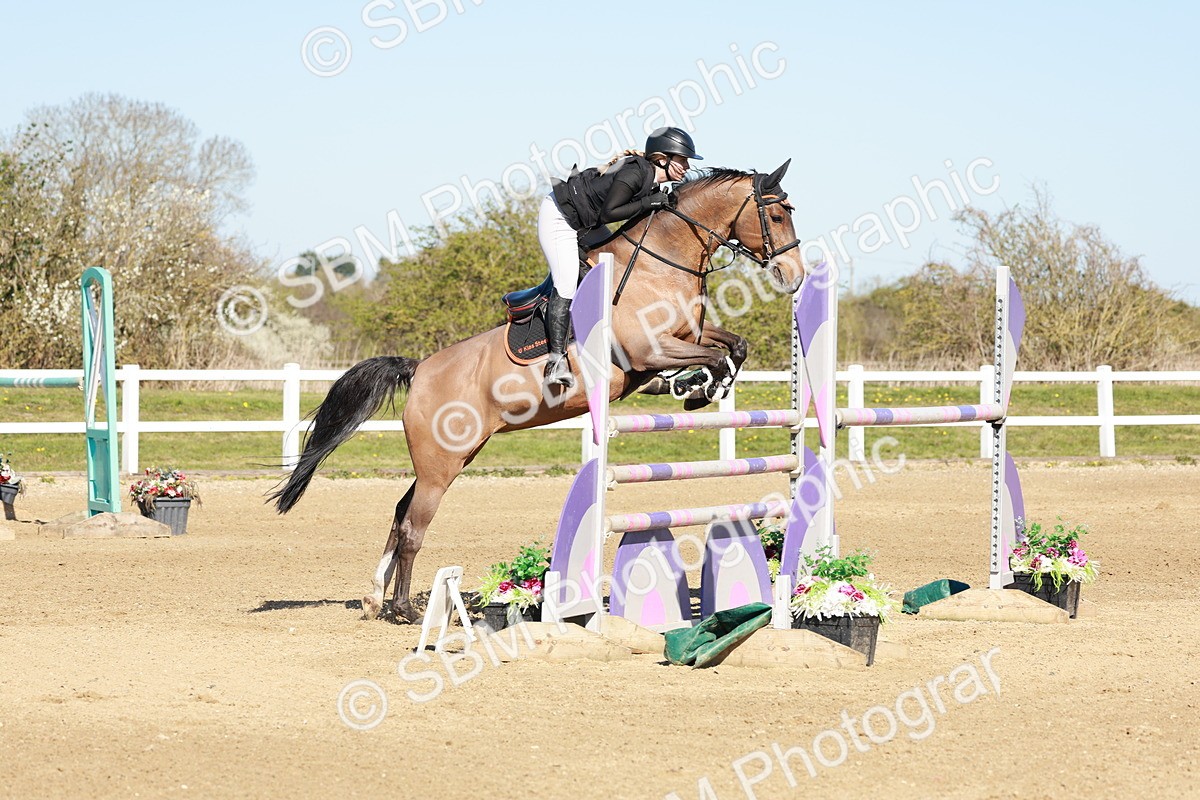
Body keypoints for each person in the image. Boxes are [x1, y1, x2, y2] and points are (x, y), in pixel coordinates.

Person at [538, 126, 703, 388]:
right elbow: (609, 214)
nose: (686, 167)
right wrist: (649, 203)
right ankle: (556, 361)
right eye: (682, 160)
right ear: (663, 159)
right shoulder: (635, 173)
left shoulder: (652, 181)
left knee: (613, 271)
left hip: (586, 223)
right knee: (567, 282)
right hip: (561, 218)